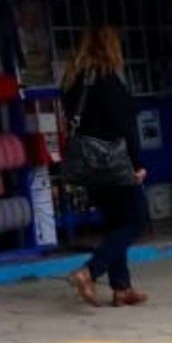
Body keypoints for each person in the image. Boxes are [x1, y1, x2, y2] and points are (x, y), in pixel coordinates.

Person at [62, 26, 150, 307]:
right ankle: (90, 271)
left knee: (116, 223)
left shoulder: (74, 81)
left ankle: (121, 288)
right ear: (111, 48)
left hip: (89, 165)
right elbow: (125, 126)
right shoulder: (107, 80)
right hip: (113, 162)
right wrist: (138, 164)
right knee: (137, 220)